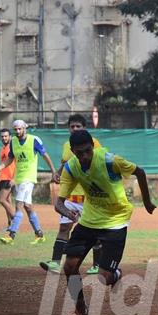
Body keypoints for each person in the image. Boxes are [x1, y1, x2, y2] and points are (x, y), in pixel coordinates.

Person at [56, 129, 156, 315]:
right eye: (79, 153)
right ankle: (80, 311)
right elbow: (59, 203)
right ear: (73, 152)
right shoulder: (71, 168)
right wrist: (69, 213)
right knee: (69, 266)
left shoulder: (110, 161)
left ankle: (115, 274)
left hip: (115, 221)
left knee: (104, 278)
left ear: (93, 147)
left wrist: (147, 202)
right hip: (89, 220)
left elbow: (140, 172)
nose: (84, 156)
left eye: (87, 151)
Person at [40, 114, 102, 274]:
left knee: (95, 231)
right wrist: (58, 172)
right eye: (72, 126)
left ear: (84, 128)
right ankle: (55, 263)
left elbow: (98, 164)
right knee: (64, 228)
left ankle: (97, 264)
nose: (74, 129)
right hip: (71, 196)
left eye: (78, 126)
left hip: (89, 197)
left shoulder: (94, 143)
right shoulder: (67, 145)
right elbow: (66, 163)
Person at [0, 119, 59, 244]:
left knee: (19, 206)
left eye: (20, 128)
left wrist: (53, 171)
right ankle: (39, 234)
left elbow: (45, 155)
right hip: (19, 178)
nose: (18, 131)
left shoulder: (34, 140)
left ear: (25, 128)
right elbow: (10, 158)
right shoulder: (13, 142)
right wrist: (0, 167)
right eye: (16, 129)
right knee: (28, 207)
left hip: (28, 178)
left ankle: (11, 235)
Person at [0, 128, 16, 229]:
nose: (4, 138)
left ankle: (15, 221)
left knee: (2, 200)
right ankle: (10, 224)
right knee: (7, 201)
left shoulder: (10, 148)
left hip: (8, 177)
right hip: (3, 177)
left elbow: (16, 163)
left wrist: (14, 178)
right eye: (2, 136)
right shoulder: (4, 148)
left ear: (10, 137)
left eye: (6, 136)